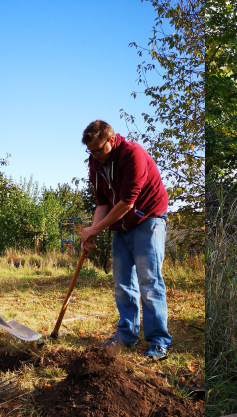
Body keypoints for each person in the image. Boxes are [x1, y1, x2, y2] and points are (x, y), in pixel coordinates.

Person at [79, 120, 172, 359]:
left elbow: (127, 202)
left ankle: (159, 340)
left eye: (99, 150)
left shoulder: (133, 154)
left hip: (148, 219)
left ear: (111, 140)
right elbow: (102, 203)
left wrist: (96, 228)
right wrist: (92, 232)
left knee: (149, 282)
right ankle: (126, 335)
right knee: (122, 285)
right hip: (120, 224)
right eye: (91, 151)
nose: (95, 156)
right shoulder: (95, 164)